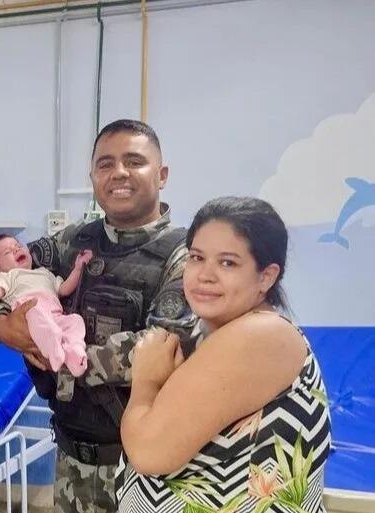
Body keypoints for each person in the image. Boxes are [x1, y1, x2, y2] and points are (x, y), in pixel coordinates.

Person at [0, 119, 199, 513]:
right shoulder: (72, 240)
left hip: (143, 473)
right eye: (105, 164)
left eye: (134, 162)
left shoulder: (185, 255)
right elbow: (2, 274)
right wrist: (0, 324)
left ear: (162, 175)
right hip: (70, 461)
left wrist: (63, 358)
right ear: (93, 176)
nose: (119, 173)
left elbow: (164, 347)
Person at [118, 196, 331, 513]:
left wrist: (145, 383)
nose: (205, 274)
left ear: (266, 276)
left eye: (228, 263)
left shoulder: (261, 336)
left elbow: (150, 452)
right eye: (196, 258)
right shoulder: (210, 333)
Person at [0, 234, 93, 376]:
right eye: (7, 252)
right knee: (38, 317)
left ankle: (74, 352)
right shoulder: (7, 277)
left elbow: (63, 289)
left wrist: (78, 269)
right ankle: (54, 352)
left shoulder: (44, 273)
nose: (16, 250)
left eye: (18, 246)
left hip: (56, 315)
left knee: (75, 320)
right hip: (32, 313)